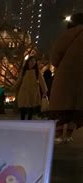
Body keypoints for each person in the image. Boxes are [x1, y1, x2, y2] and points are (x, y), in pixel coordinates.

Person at [48, 12, 83, 143]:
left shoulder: (67, 34)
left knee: (60, 105)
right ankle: (68, 134)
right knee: (77, 106)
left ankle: (57, 134)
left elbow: (55, 56)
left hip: (65, 75)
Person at [15, 56, 47, 120]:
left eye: (34, 61)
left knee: (31, 107)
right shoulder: (23, 71)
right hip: (24, 90)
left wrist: (45, 90)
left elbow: (42, 81)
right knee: (22, 105)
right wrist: (13, 87)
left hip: (33, 91)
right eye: (31, 61)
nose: (33, 62)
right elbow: (19, 80)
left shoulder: (37, 71)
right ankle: (22, 120)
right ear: (28, 62)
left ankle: (29, 121)